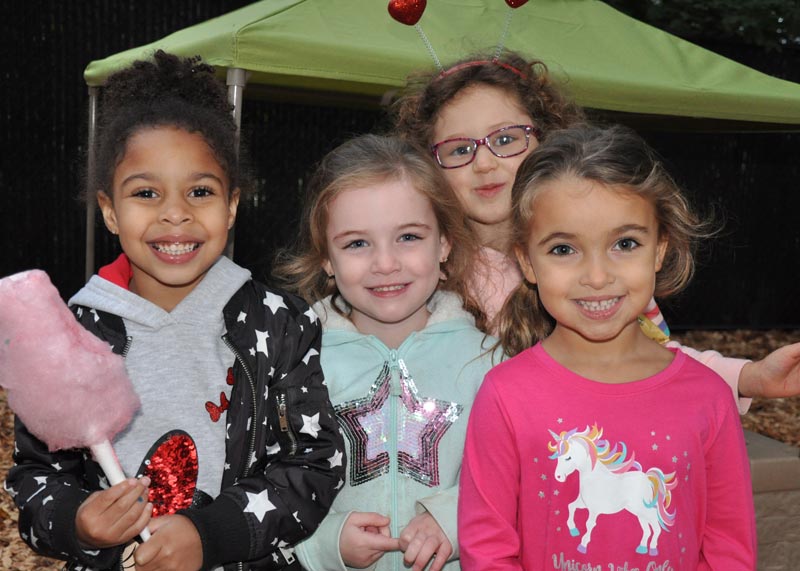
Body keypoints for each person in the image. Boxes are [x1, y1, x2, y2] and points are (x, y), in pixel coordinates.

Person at [5, 50, 345, 571]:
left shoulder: (281, 323)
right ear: (110, 212)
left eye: (200, 191)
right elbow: (34, 475)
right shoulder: (75, 332)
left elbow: (315, 462)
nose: (175, 213)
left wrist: (211, 535)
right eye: (146, 193)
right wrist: (78, 522)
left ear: (231, 206)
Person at [392, 49, 800, 406]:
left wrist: (748, 377)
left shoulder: (599, 271)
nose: (484, 163)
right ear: (428, 166)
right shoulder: (423, 273)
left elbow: (650, 359)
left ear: (549, 141)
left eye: (506, 139)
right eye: (459, 149)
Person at [459, 124, 757, 569]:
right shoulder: (504, 396)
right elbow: (487, 550)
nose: (597, 276)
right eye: (563, 249)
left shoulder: (709, 397)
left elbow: (730, 549)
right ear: (527, 261)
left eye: (625, 244)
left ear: (659, 250)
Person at [274, 134, 497, 571]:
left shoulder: (489, 361)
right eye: (357, 243)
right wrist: (327, 541)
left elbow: (517, 478)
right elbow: (270, 485)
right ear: (325, 257)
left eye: (408, 237)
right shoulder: (295, 363)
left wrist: (453, 521)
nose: (385, 263)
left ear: (445, 243)